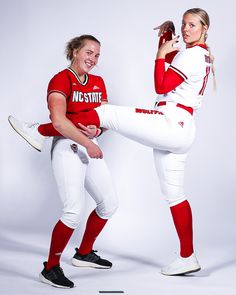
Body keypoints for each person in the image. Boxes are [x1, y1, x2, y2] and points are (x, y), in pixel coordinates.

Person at [9, 7, 213, 276]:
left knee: (107, 112)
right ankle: (187, 256)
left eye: (192, 25)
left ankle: (39, 131)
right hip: (182, 129)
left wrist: (160, 53)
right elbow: (173, 72)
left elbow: (162, 85)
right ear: (74, 52)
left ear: (204, 29)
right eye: (184, 24)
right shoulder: (198, 55)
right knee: (175, 195)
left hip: (171, 122)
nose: (186, 29)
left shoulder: (194, 54)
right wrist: (166, 35)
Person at [9, 35, 118, 289]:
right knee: (73, 211)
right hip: (67, 147)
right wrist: (89, 142)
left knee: (109, 204)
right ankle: (50, 268)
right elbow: (59, 122)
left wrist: (98, 132)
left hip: (89, 145)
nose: (93, 59)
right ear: (75, 51)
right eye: (88, 52)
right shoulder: (61, 79)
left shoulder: (98, 82)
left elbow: (104, 118)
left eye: (97, 55)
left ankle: (83, 253)